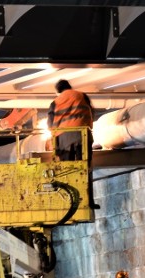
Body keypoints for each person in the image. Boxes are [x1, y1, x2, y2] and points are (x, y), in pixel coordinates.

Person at [47, 79, 97, 208]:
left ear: (58, 91)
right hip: (83, 135)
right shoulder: (82, 95)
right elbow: (92, 112)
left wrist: (55, 140)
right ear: (69, 87)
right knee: (85, 168)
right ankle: (88, 200)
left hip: (64, 139)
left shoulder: (55, 102)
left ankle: (69, 201)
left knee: (66, 170)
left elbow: (50, 124)